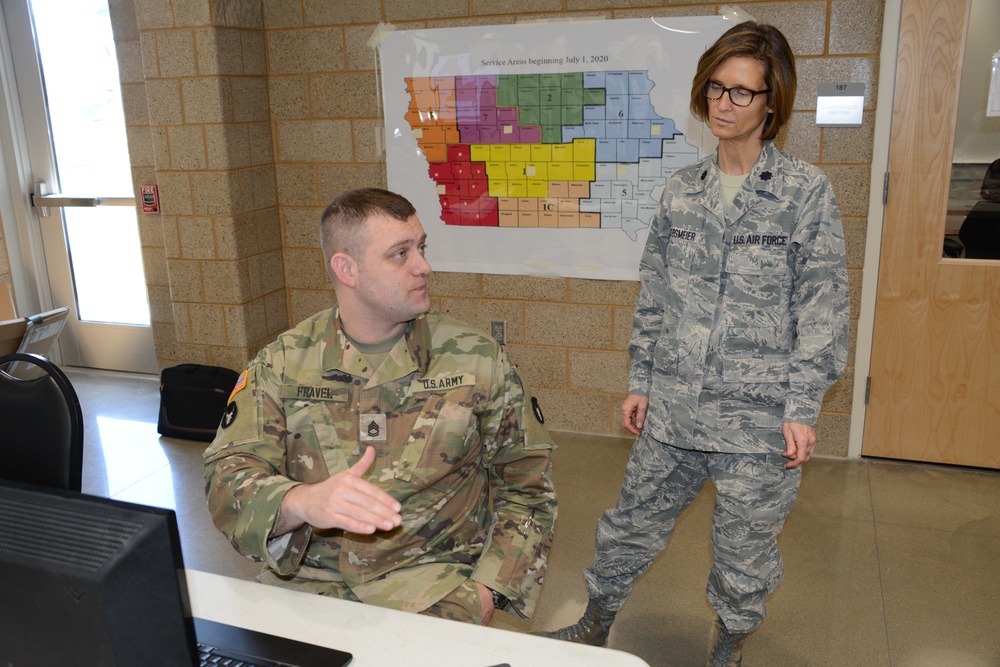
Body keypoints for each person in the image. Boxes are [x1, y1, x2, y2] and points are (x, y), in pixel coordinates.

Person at [537, 22, 848, 666]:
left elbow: (822, 307)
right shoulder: (682, 190)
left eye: (741, 93)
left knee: (744, 553)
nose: (723, 104)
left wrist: (801, 408)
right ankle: (595, 623)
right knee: (629, 526)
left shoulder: (803, 193)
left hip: (756, 423)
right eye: (715, 87)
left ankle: (729, 647)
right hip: (674, 409)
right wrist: (640, 381)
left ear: (772, 105)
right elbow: (657, 296)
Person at [204, 187, 557, 625]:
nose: (424, 266)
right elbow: (226, 478)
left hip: (433, 588)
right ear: (346, 269)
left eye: (421, 248)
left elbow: (527, 487)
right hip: (307, 585)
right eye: (400, 254)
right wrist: (301, 501)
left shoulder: (475, 359)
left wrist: (488, 591)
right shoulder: (283, 363)